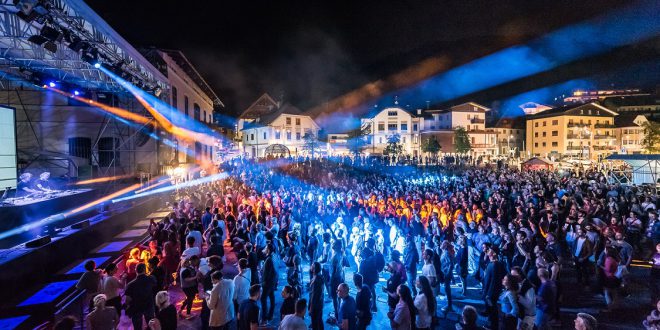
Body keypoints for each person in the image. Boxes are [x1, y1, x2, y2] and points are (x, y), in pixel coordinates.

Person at [125, 263, 157, 330]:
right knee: (151, 324)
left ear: (135, 270)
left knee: (137, 327)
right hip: (149, 305)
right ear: (145, 270)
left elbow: (127, 299)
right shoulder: (151, 278)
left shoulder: (130, 284)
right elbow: (155, 286)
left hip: (136, 308)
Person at [483, 247, 506, 330]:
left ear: (494, 253)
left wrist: (488, 294)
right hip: (490, 291)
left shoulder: (495, 265)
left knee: (493, 308)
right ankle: (491, 323)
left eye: (489, 250)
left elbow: (494, 282)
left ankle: (493, 326)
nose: (487, 251)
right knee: (491, 308)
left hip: (491, 293)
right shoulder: (493, 263)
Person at [261, 242, 278, 325]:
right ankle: (270, 315)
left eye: (266, 248)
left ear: (268, 250)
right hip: (273, 281)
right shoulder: (274, 256)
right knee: (271, 297)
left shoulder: (268, 259)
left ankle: (264, 317)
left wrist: (263, 283)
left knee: (263, 299)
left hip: (268, 283)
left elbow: (266, 273)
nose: (264, 249)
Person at [179, 255, 201, 319]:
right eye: (188, 262)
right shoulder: (185, 270)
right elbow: (186, 279)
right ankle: (188, 314)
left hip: (190, 286)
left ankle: (180, 310)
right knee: (190, 299)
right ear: (185, 263)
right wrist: (195, 277)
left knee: (189, 299)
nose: (190, 263)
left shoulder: (187, 268)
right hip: (187, 287)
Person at [440, 240, 456, 315]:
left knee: (447, 288)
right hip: (445, 272)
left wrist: (448, 273)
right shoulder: (444, 252)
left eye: (443, 244)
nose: (441, 244)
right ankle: (449, 304)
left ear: (445, 246)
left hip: (446, 273)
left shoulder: (446, 253)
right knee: (447, 288)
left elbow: (451, 264)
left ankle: (449, 306)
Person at [308, 261, 325, 330]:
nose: (310, 266)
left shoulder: (316, 280)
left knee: (315, 323)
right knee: (319, 320)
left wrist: (311, 308)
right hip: (320, 303)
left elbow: (313, 296)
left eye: (312, 265)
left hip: (315, 305)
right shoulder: (319, 277)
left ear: (314, 269)